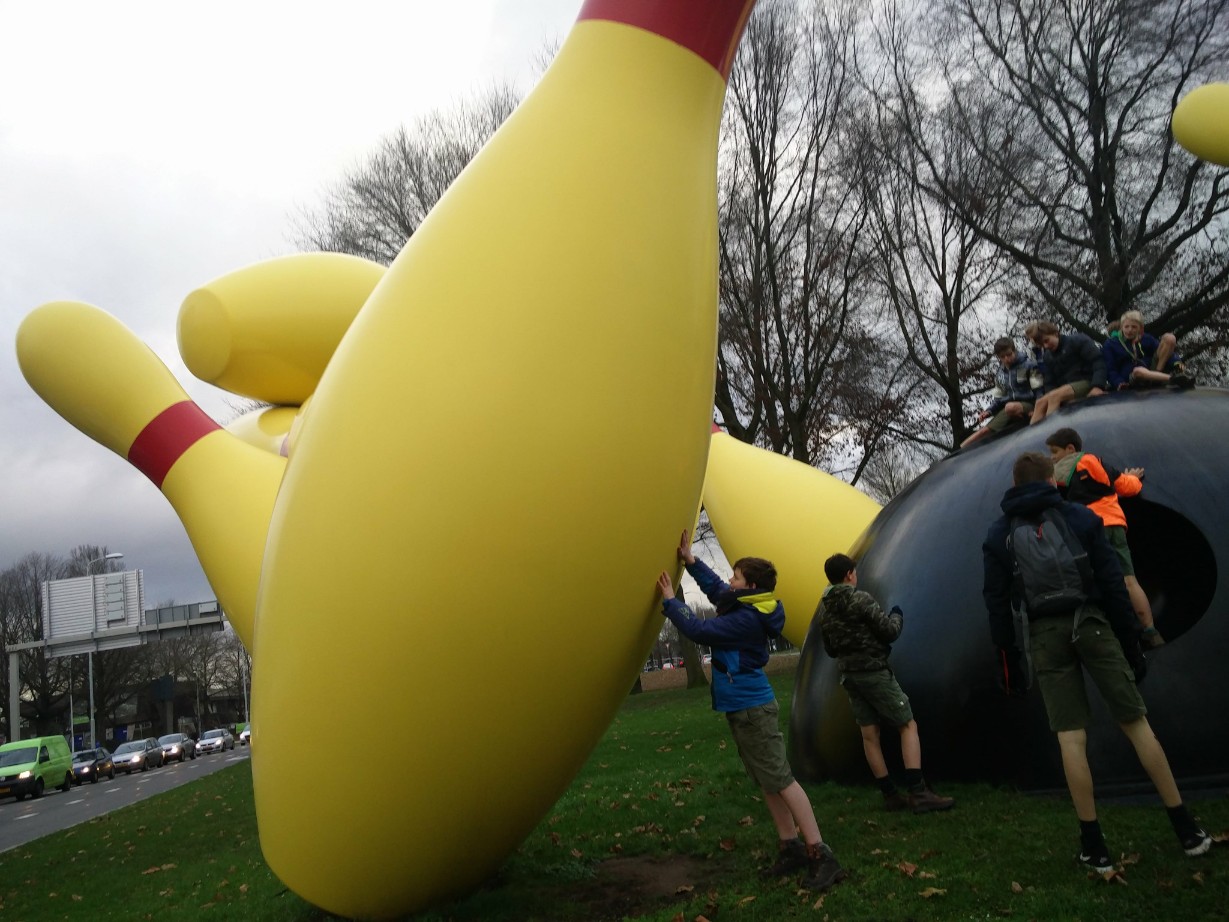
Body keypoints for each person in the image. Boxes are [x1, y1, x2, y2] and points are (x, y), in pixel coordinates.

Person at [982, 452, 1211, 874]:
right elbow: (1112, 583)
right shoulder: (1081, 517)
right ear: (1052, 480)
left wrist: (1009, 662)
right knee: (1136, 724)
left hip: (1045, 635)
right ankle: (1187, 830)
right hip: (1093, 623)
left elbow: (997, 605)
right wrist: (1131, 641)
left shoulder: (999, 534)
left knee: (1071, 739)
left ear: (1014, 485)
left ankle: (1094, 847)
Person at [655, 530, 846, 892]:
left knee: (782, 780)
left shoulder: (746, 619)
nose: (730, 581)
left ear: (750, 585)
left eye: (736, 577)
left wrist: (670, 601)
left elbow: (698, 629)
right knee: (767, 780)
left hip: (752, 708)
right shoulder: (745, 603)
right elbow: (717, 590)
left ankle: (821, 854)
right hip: (742, 707)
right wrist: (691, 561)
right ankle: (790, 848)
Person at [815, 554, 955, 814]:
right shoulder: (860, 599)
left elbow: (831, 649)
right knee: (907, 724)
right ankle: (918, 792)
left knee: (870, 735)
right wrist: (897, 615)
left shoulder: (825, 609)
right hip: (874, 673)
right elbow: (889, 631)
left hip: (850, 677)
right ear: (849, 574)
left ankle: (890, 796)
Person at [1045, 427, 1164, 648]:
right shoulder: (1100, 463)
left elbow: (1050, 485)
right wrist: (1133, 478)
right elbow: (1127, 487)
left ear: (1070, 449)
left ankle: (1110, 634)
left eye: (1055, 451)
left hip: (1089, 527)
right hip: (1116, 525)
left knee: (1099, 581)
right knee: (1129, 579)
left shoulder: (1060, 470)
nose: (1052, 457)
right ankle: (1150, 630)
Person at [961, 336, 1043, 449]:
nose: (1006, 359)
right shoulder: (1000, 374)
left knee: (1010, 407)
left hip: (1029, 403)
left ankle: (1024, 414)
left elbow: (1038, 389)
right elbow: (998, 398)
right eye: (1002, 357)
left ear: (1014, 350)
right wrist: (988, 411)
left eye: (1009, 355)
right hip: (1008, 408)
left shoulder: (1029, 365)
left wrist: (1037, 408)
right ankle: (959, 451)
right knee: (983, 431)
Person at [1028, 321, 1108, 424]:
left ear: (1055, 333)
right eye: (1042, 345)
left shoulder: (1077, 340)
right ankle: (1035, 435)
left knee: (1055, 396)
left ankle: (1052, 430)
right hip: (1067, 388)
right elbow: (1049, 382)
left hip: (1087, 381)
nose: (1046, 346)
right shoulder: (1048, 356)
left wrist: (1097, 387)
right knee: (1040, 403)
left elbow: (1098, 361)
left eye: (1046, 341)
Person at [1102, 309, 1195, 390]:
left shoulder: (1146, 338)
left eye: (1134, 327)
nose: (1129, 330)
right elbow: (1110, 369)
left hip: (1152, 370)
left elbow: (1164, 352)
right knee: (1138, 371)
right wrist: (1119, 382)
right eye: (1126, 327)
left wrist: (1177, 363)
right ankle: (1173, 379)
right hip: (1133, 376)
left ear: (1140, 328)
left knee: (1169, 338)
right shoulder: (1111, 344)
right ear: (1122, 327)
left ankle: (1159, 375)